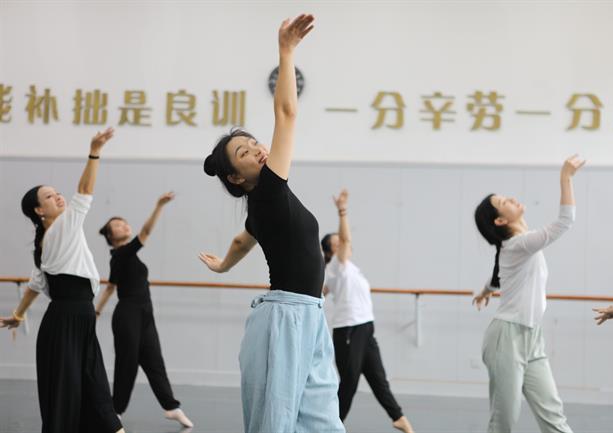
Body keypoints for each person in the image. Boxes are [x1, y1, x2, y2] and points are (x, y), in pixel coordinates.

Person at [199, 14, 345, 433]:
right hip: (286, 318)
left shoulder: (262, 208)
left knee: (324, 423)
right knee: (275, 423)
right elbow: (286, 113)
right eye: (244, 154)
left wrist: (223, 265)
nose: (257, 150)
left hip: (309, 315)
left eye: (252, 143)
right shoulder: (268, 192)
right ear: (235, 177)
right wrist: (286, 51)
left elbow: (243, 240)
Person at [0, 128, 125, 433]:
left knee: (92, 387)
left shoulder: (49, 238)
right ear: (39, 210)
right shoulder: (60, 230)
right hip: (67, 320)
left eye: (56, 192)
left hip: (75, 318)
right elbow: (84, 191)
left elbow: (35, 285)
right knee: (74, 391)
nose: (57, 196)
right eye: (49, 196)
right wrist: (95, 151)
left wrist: (18, 314)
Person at [472, 155, 585, 433]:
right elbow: (565, 222)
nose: (511, 198)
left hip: (532, 338)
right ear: (500, 220)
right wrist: (565, 177)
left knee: (554, 415)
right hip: (506, 339)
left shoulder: (514, 248)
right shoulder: (518, 245)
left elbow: (498, 276)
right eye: (504, 202)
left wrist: (486, 290)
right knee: (504, 422)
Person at [96, 192, 193, 428]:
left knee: (154, 362)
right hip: (127, 315)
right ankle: (116, 411)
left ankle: (171, 407)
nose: (124, 225)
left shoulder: (123, 257)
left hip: (145, 315)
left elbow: (110, 288)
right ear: (111, 236)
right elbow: (146, 232)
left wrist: (96, 311)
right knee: (127, 364)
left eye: (124, 222)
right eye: (117, 225)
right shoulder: (121, 254)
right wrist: (159, 205)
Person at [322, 189, 415, 433]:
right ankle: (330, 426)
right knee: (349, 384)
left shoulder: (349, 269)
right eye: (337, 244)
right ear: (330, 252)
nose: (343, 244)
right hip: (348, 330)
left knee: (378, 378)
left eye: (341, 242)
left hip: (364, 328)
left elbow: (324, 290)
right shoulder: (336, 266)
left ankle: (398, 417)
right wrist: (342, 211)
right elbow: (347, 241)